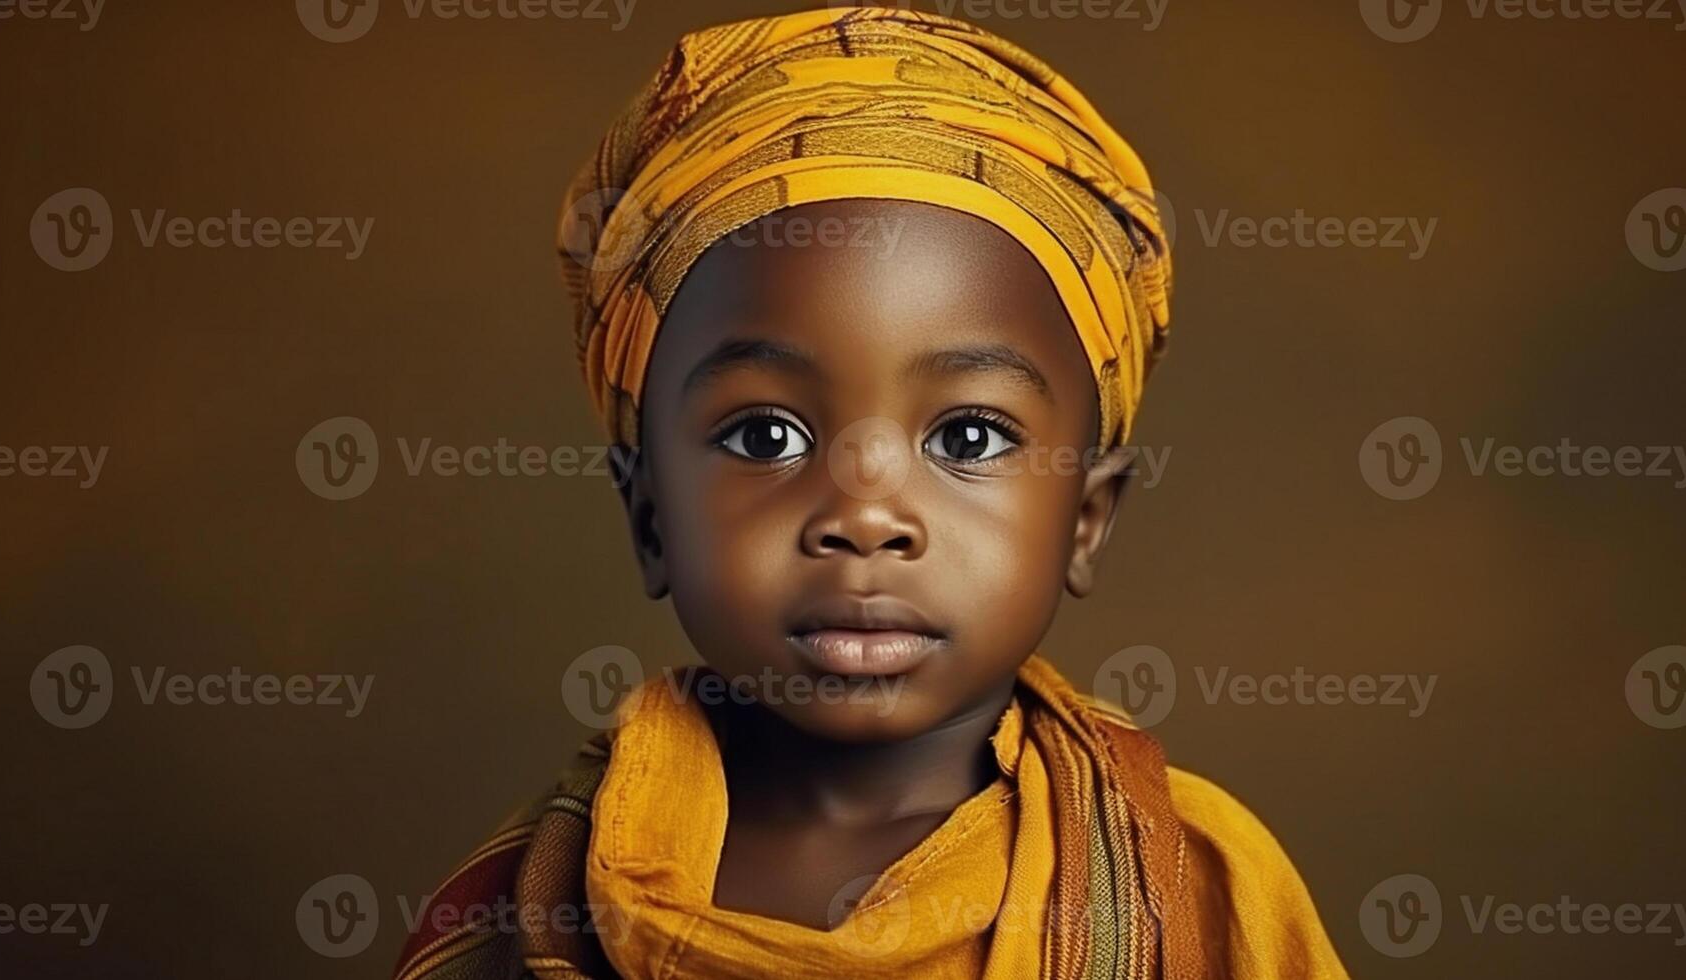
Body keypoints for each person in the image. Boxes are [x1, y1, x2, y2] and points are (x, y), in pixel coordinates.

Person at [395, 6, 1348, 978]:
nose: (863, 517)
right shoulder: (537, 901)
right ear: (648, 517)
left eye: (967, 436)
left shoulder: (1196, 887)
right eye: (767, 436)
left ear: (1086, 519)